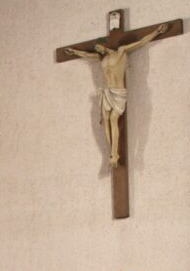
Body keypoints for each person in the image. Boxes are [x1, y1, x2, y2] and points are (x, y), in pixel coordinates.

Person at [65, 23, 169, 166]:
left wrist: (156, 32)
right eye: (96, 49)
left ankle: (115, 153)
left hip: (118, 91)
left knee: (114, 119)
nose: (98, 50)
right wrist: (75, 52)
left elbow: (140, 43)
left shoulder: (120, 52)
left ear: (104, 44)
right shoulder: (102, 58)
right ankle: (113, 153)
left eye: (99, 47)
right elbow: (86, 55)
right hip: (107, 92)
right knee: (106, 120)